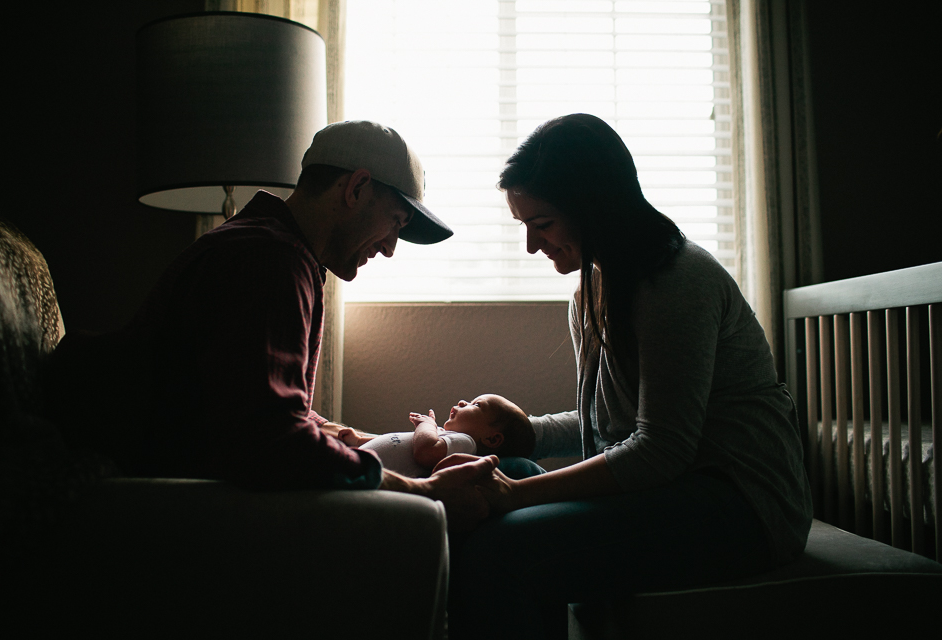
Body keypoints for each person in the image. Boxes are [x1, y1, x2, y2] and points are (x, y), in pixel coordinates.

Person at [446, 114, 813, 639]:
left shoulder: (677, 281)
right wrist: (524, 434)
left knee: (501, 545)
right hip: (674, 484)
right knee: (519, 467)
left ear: (592, 207)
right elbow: (613, 422)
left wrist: (516, 497)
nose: (531, 246)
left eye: (543, 223)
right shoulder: (591, 292)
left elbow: (661, 447)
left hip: (741, 503)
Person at [46, 120, 496, 529]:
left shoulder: (266, 247)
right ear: (356, 188)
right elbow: (268, 438)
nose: (391, 248)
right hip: (184, 506)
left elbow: (252, 399)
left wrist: (352, 437)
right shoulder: (270, 263)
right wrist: (424, 493)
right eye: (395, 223)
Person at [349, 394, 535, 478]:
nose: (463, 402)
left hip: (369, 477)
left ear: (492, 439)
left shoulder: (466, 443)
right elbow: (397, 442)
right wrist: (359, 440)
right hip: (362, 464)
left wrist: (427, 424)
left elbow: (425, 452)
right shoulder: (449, 438)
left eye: (476, 405)